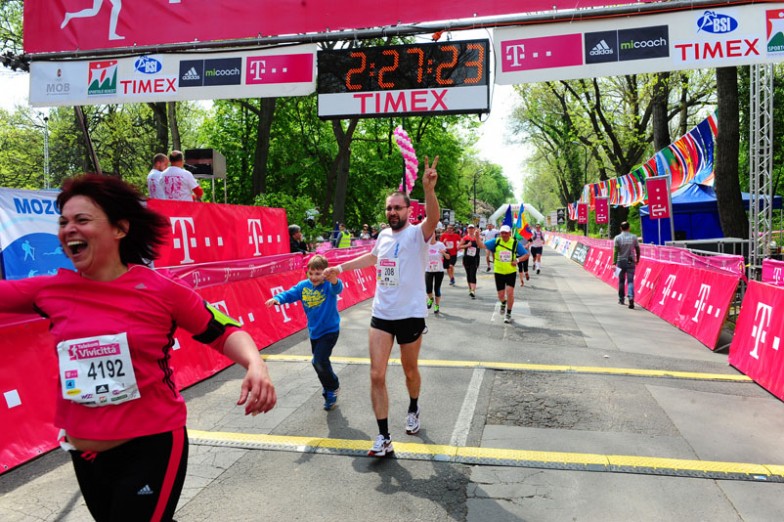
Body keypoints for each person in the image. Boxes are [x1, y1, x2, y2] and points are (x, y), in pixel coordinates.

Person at [0, 174, 276, 522]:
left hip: (151, 445)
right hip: (85, 454)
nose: (69, 229)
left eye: (82, 220)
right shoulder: (50, 291)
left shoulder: (161, 290)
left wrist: (255, 364)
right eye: (63, 222)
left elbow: (223, 330)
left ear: (120, 229)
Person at [324, 156, 440, 458]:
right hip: (382, 314)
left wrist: (429, 190)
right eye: (389, 208)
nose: (392, 212)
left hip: (410, 314)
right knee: (376, 375)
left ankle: (413, 407)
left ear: (408, 211)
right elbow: (373, 258)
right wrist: (341, 268)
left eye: (398, 208)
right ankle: (384, 437)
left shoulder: (418, 233)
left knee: (410, 371)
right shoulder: (384, 235)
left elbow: (433, 219)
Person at [266, 254, 343, 410]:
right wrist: (277, 299)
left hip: (330, 331)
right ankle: (328, 386)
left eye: (318, 273)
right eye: (311, 273)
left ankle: (332, 387)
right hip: (315, 332)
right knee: (320, 362)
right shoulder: (303, 286)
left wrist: (334, 279)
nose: (314, 277)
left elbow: (338, 287)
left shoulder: (328, 285)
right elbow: (289, 294)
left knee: (318, 361)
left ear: (325, 273)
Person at [478, 225, 530, 324]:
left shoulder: (515, 243)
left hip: (511, 272)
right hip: (499, 272)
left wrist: (517, 260)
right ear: (500, 233)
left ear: (509, 233)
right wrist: (477, 236)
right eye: (502, 233)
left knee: (510, 293)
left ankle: (508, 313)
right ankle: (503, 302)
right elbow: (481, 246)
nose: (504, 235)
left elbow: (526, 255)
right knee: (501, 295)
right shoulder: (496, 241)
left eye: (506, 233)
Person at [613, 221, 641, 309]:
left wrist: (614, 262)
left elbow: (615, 251)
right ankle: (631, 297)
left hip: (620, 261)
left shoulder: (617, 238)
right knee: (630, 281)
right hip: (630, 260)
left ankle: (621, 299)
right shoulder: (634, 237)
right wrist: (637, 259)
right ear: (629, 228)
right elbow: (638, 249)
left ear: (621, 228)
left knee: (621, 281)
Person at [425, 231, 449, 314]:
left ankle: (437, 305)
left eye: (433, 234)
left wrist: (443, 253)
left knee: (437, 288)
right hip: (428, 270)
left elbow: (448, 257)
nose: (431, 236)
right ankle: (430, 299)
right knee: (428, 288)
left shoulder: (440, 244)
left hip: (439, 270)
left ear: (435, 235)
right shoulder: (425, 245)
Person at [458, 224, 481, 299]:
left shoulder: (477, 238)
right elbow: (459, 247)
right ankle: (470, 289)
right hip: (467, 259)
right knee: (468, 274)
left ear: (474, 229)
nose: (471, 230)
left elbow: (481, 246)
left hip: (475, 258)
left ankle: (473, 291)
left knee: (473, 274)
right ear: (467, 229)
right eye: (469, 228)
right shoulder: (465, 238)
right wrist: (467, 245)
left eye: (472, 228)